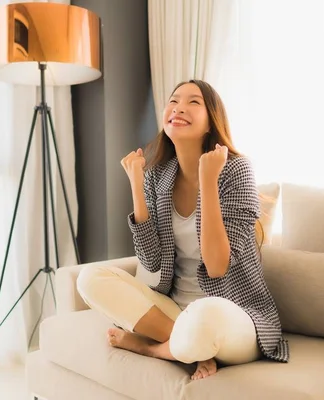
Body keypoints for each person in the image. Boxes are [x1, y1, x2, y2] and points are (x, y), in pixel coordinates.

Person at [76, 80, 289, 381]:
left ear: (210, 121)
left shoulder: (237, 170)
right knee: (90, 278)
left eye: (193, 102)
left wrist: (208, 181)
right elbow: (150, 261)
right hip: (175, 310)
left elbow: (217, 266)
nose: (179, 107)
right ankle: (186, 345)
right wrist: (137, 185)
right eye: (174, 100)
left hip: (230, 314)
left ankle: (155, 348)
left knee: (205, 316)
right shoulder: (157, 176)